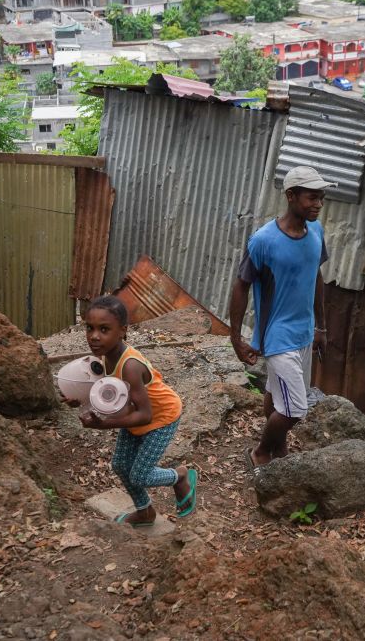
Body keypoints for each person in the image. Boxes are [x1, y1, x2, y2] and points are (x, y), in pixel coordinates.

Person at [229, 165, 333, 470]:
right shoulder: (263, 241)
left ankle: (280, 447)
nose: (318, 204)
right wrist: (236, 337)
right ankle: (260, 453)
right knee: (295, 409)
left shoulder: (316, 231)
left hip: (304, 333)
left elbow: (316, 276)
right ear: (291, 196)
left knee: (277, 395)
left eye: (321, 197)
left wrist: (321, 327)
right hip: (278, 336)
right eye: (312, 197)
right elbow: (241, 285)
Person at [60, 295, 197, 526]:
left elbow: (146, 415)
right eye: (90, 328)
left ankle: (180, 476)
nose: (94, 336)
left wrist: (102, 424)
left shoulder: (130, 366)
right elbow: (108, 392)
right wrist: (82, 402)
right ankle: (145, 512)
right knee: (121, 465)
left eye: (104, 329)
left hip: (161, 417)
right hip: (132, 414)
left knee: (141, 475)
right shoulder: (105, 357)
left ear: (122, 331)